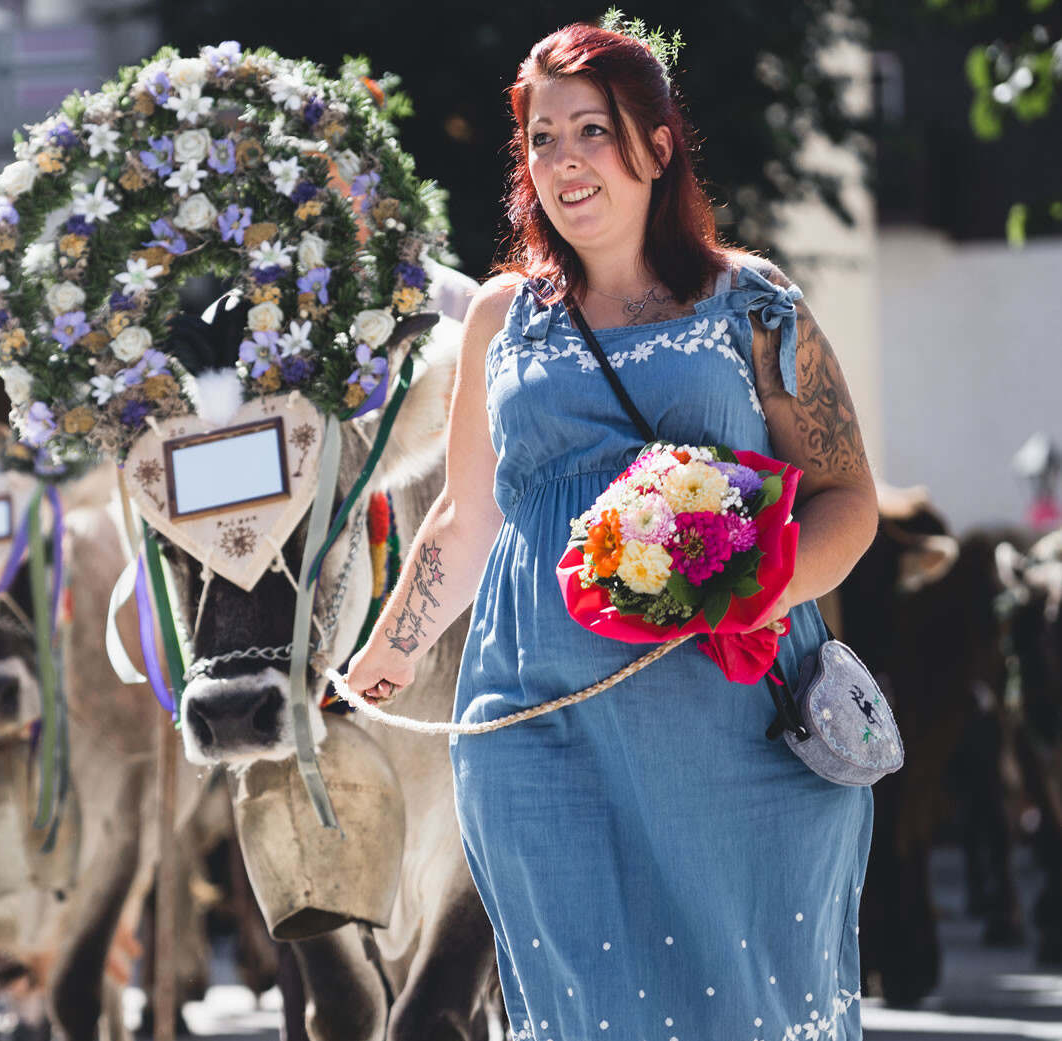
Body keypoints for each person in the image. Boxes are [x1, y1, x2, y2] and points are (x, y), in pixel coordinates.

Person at [345, 21, 878, 1039]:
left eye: (592, 129)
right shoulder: (501, 318)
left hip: (730, 717)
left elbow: (844, 497)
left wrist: (750, 594)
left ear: (657, 143)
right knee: (583, 1009)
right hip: (533, 724)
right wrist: (381, 659)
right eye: (540, 138)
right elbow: (467, 515)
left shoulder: (749, 301)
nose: (564, 160)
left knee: (745, 1008)